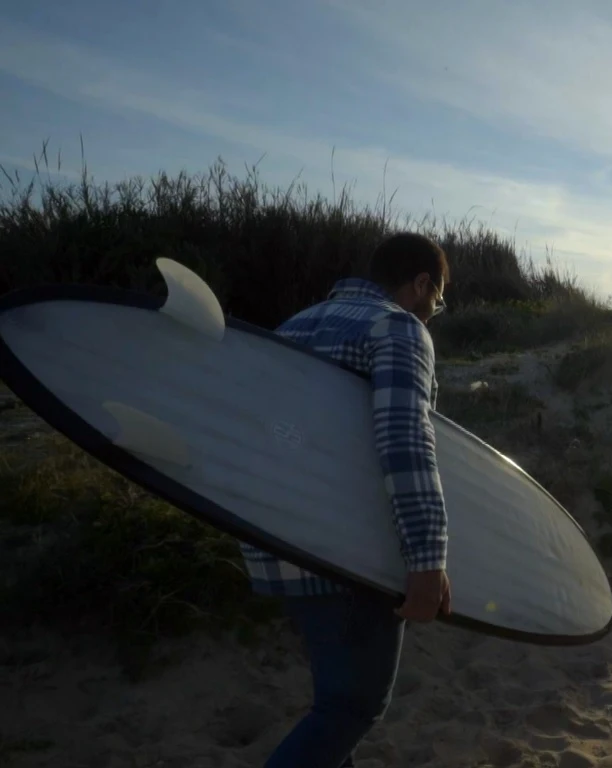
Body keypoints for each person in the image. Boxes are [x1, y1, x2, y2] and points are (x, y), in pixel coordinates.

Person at [238, 232, 454, 768]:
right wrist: (427, 560)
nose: (433, 313)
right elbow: (404, 443)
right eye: (438, 301)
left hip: (278, 540)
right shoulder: (397, 327)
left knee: (335, 705)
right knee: (350, 709)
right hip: (349, 552)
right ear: (421, 283)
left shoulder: (292, 326)